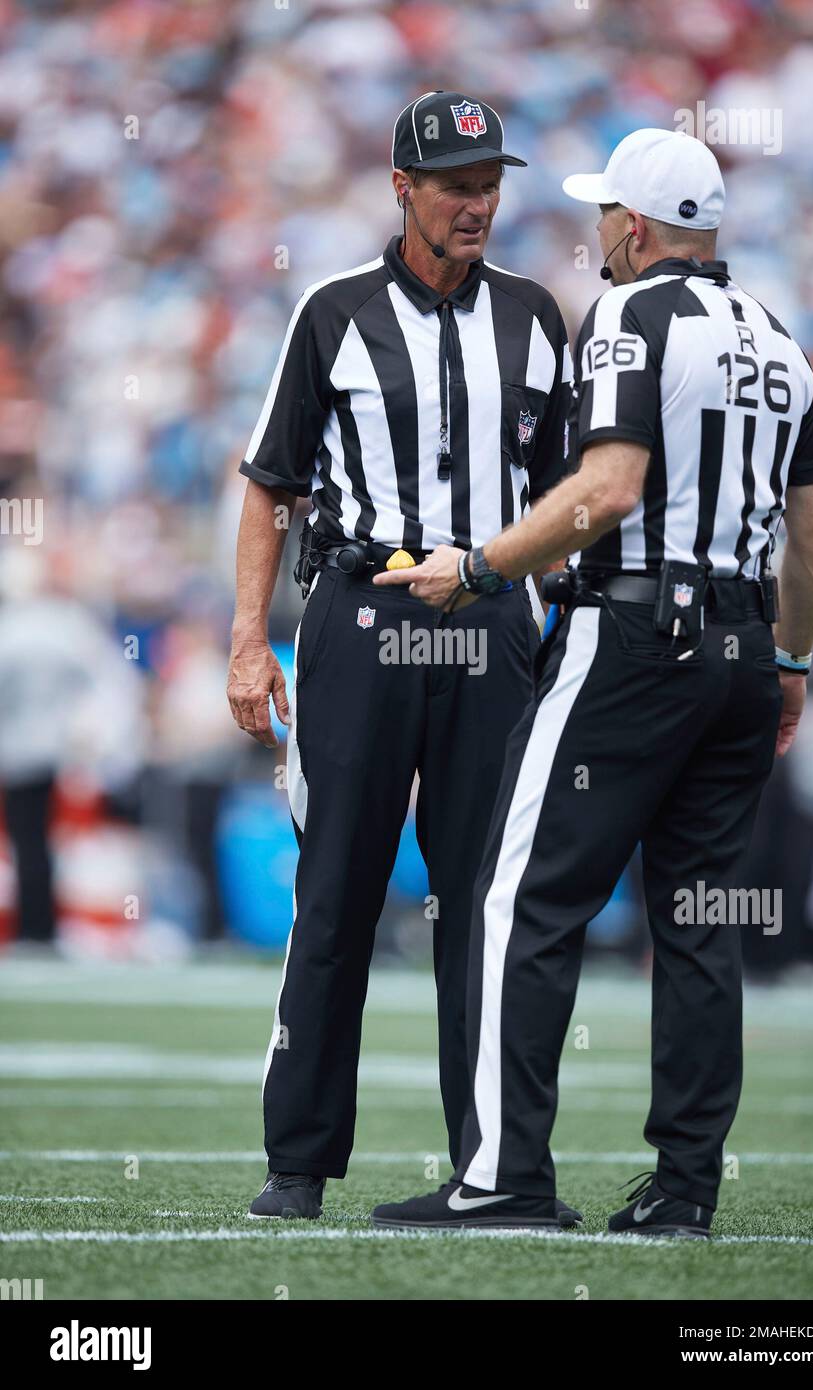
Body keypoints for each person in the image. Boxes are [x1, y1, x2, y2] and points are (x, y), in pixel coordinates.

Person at [371, 128, 813, 1235]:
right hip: (735, 646)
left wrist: (482, 563)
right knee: (696, 920)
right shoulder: (779, 339)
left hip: (634, 636)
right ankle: (682, 1190)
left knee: (519, 897)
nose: (597, 238)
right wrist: (786, 658)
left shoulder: (629, 316)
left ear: (630, 227)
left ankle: (502, 1177)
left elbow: (610, 488)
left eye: (602, 220)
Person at [228, 91, 578, 1223]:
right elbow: (269, 486)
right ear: (402, 188)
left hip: (486, 615)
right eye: (455, 184)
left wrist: (558, 618)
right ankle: (298, 1160)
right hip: (363, 606)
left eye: (490, 183)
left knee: (484, 899)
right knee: (335, 886)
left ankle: (487, 1164)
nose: (477, 204)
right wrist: (246, 638)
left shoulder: (535, 318)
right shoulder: (331, 312)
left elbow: (572, 496)